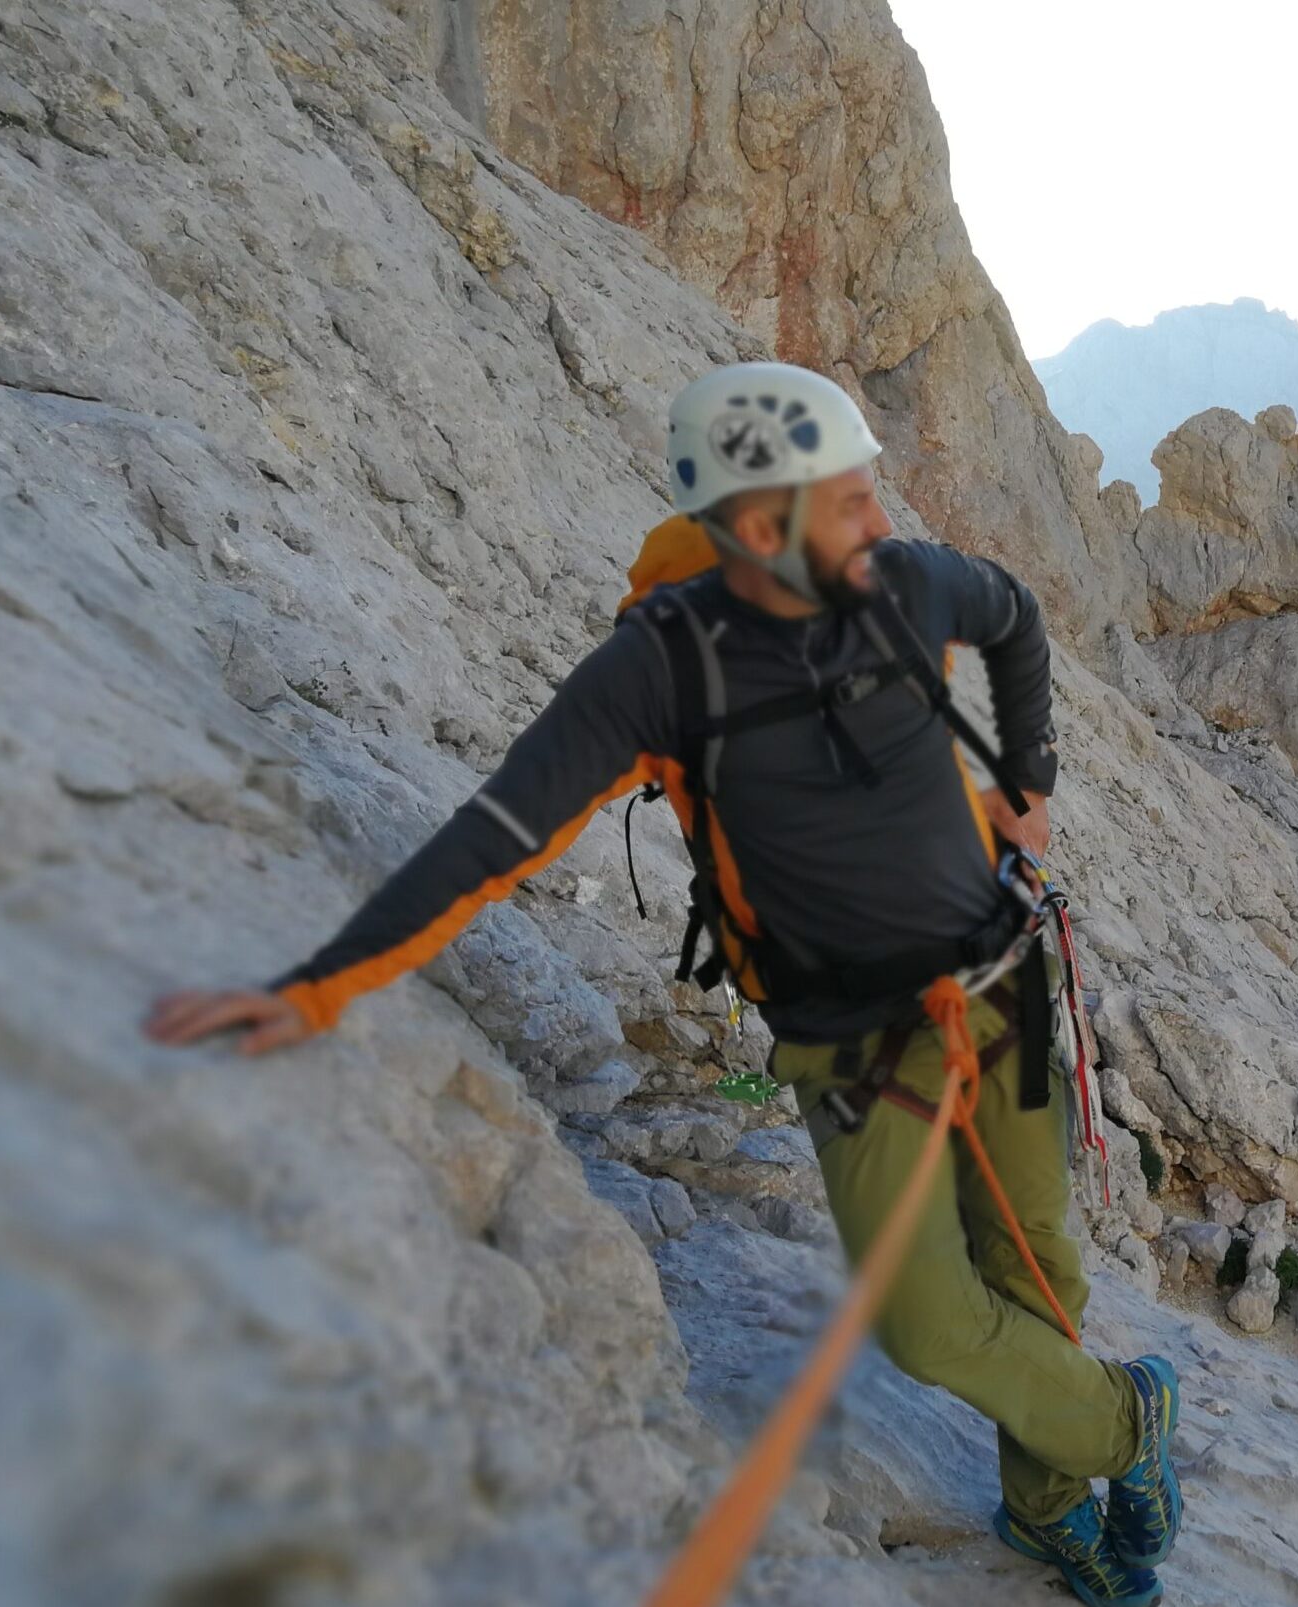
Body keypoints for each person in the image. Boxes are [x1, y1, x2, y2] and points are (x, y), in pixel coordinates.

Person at [147, 362, 1181, 1607]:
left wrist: (1030, 780)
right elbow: (496, 832)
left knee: (1043, 1272)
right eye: (847, 499)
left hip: (997, 985)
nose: (880, 518)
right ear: (756, 529)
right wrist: (317, 987)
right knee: (924, 1323)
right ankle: (1129, 1423)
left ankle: (1045, 1506)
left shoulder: (903, 583)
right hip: (851, 1046)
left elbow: (1012, 613)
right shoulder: (661, 670)